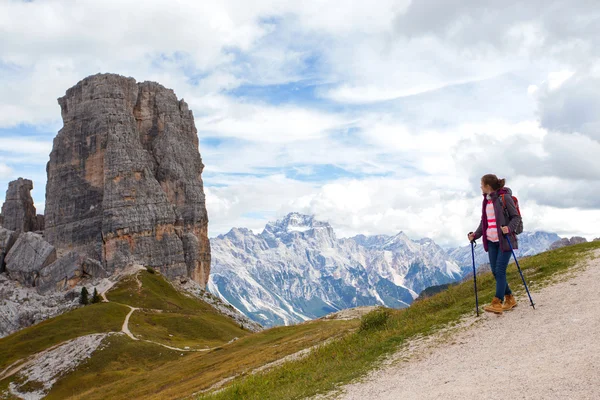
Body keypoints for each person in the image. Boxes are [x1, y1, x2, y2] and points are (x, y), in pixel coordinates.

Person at [468, 174, 522, 314]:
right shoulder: (486, 201)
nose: (480, 187)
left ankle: (497, 302)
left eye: (481, 184)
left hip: (505, 240)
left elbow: (516, 217)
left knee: (500, 270)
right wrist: (475, 235)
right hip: (491, 241)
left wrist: (508, 228)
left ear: (487, 186)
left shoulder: (505, 198)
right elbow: (484, 222)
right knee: (495, 272)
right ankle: (510, 298)